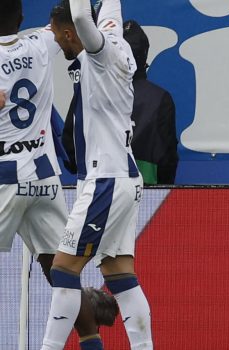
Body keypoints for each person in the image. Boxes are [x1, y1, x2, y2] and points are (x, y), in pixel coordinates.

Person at [0, 1, 114, 349]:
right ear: (21, 18)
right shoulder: (41, 41)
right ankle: (91, 341)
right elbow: (69, 20)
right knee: (62, 274)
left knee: (62, 274)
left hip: (4, 176)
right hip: (44, 177)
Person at [41, 0, 152, 349]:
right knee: (121, 277)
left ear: (74, 32)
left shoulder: (100, 52)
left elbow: (78, 14)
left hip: (104, 179)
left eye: (60, 36)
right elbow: (109, 11)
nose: (58, 43)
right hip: (123, 176)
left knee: (63, 270)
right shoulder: (113, 38)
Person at [122, 19, 179, 185]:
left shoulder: (96, 93)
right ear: (145, 54)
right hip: (149, 195)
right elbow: (168, 158)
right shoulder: (161, 98)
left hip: (101, 191)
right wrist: (162, 190)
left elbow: (73, 145)